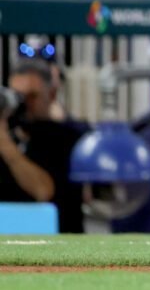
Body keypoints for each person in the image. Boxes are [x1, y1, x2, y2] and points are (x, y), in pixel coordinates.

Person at [0, 58, 84, 232]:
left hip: (59, 240)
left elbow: (44, 191)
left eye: (32, 96)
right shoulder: (9, 133)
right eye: (17, 96)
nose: (23, 104)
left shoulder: (68, 138)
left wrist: (7, 148)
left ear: (51, 95)